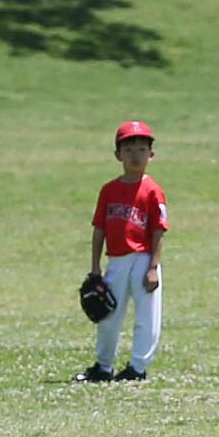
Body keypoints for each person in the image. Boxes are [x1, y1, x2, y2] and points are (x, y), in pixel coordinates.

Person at [74, 121, 171, 383]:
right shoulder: (109, 190)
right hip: (116, 260)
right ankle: (103, 366)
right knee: (107, 315)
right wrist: (95, 267)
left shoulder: (153, 191)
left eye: (141, 149)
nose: (135, 155)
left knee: (147, 316)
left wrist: (153, 267)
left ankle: (138, 368)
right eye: (128, 150)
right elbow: (99, 230)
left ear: (151, 154)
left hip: (144, 259)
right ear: (118, 155)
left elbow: (158, 232)